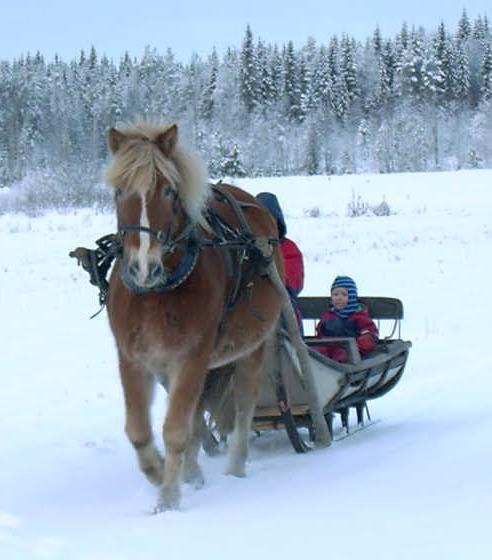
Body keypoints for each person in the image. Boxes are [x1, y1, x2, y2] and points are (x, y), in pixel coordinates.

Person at [256, 192, 304, 326]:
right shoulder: (246, 249)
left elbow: (294, 280)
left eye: (270, 220)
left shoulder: (288, 247)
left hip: (281, 305)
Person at [315, 275, 378, 363]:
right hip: (328, 346)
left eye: (344, 295)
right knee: (316, 352)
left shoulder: (359, 316)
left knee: (343, 355)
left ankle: (338, 369)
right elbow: (320, 332)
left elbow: (369, 333)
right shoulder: (328, 315)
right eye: (335, 294)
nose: (339, 298)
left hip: (350, 348)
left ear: (351, 297)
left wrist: (361, 343)